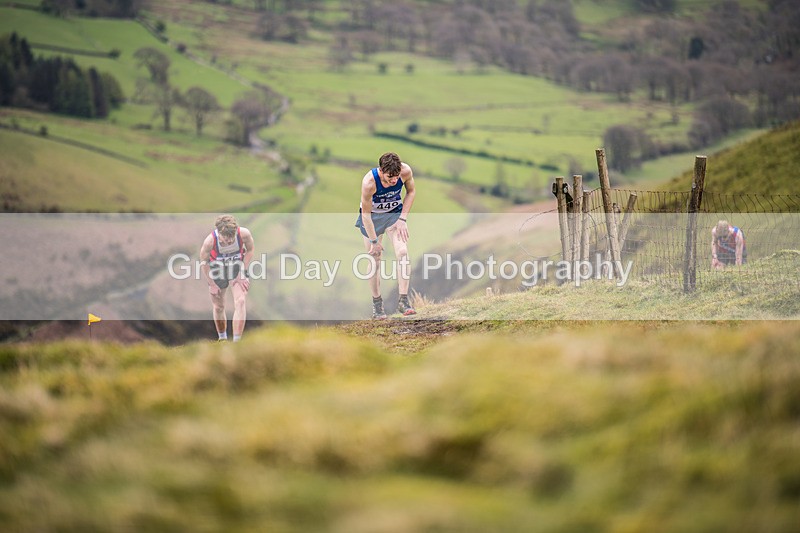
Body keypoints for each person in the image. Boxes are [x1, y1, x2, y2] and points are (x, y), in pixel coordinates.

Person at [355, 152, 417, 319]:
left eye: (396, 177)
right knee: (374, 258)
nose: (394, 181)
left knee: (403, 252)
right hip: (372, 219)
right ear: (381, 171)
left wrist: (403, 219)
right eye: (390, 177)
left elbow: (411, 192)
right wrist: (374, 241)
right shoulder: (369, 182)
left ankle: (403, 302)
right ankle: (377, 306)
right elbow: (366, 216)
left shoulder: (404, 172)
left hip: (394, 216)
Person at [200, 215, 254, 341]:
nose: (229, 240)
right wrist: (212, 284)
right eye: (226, 237)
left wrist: (242, 272)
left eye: (232, 236)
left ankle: (236, 341)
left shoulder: (244, 234)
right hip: (217, 269)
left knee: (240, 301)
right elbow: (204, 262)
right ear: (219, 233)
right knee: (219, 307)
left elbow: (250, 250)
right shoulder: (210, 241)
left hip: (237, 267)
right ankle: (222, 338)